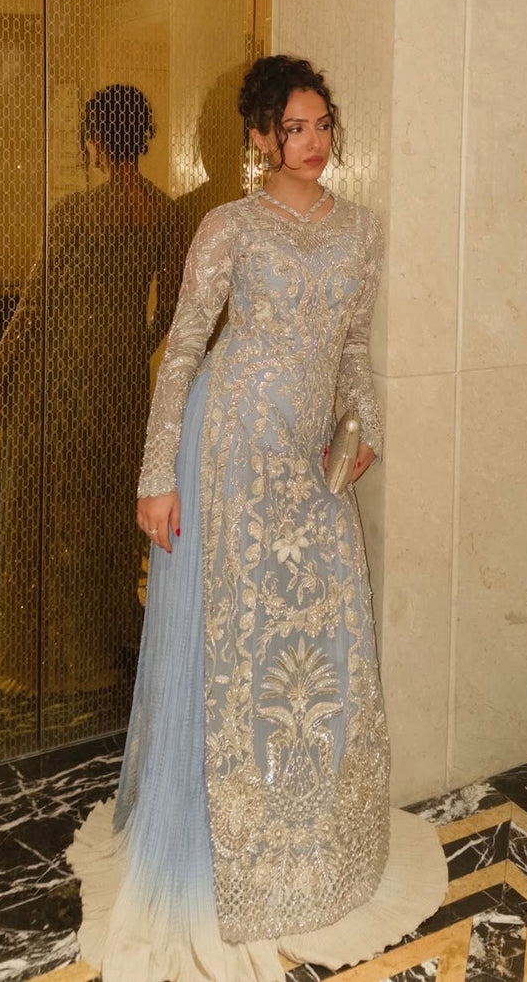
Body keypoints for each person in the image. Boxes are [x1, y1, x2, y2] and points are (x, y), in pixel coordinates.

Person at [67, 57, 448, 980]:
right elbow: (183, 348)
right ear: (260, 136)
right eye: (295, 128)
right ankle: (218, 843)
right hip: (230, 441)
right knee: (235, 634)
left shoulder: (361, 230)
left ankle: (310, 834)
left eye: (323, 125)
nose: (313, 143)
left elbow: (352, 347)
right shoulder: (229, 226)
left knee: (318, 626)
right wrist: (157, 473)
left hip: (308, 456)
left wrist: (363, 426)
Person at [0, 84, 182, 695]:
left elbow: (35, 304)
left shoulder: (74, 213)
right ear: (142, 139)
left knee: (47, 502)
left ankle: (48, 635)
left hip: (61, 371)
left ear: (95, 142)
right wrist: (130, 348)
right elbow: (171, 310)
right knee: (105, 500)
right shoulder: (167, 214)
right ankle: (101, 626)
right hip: (121, 381)